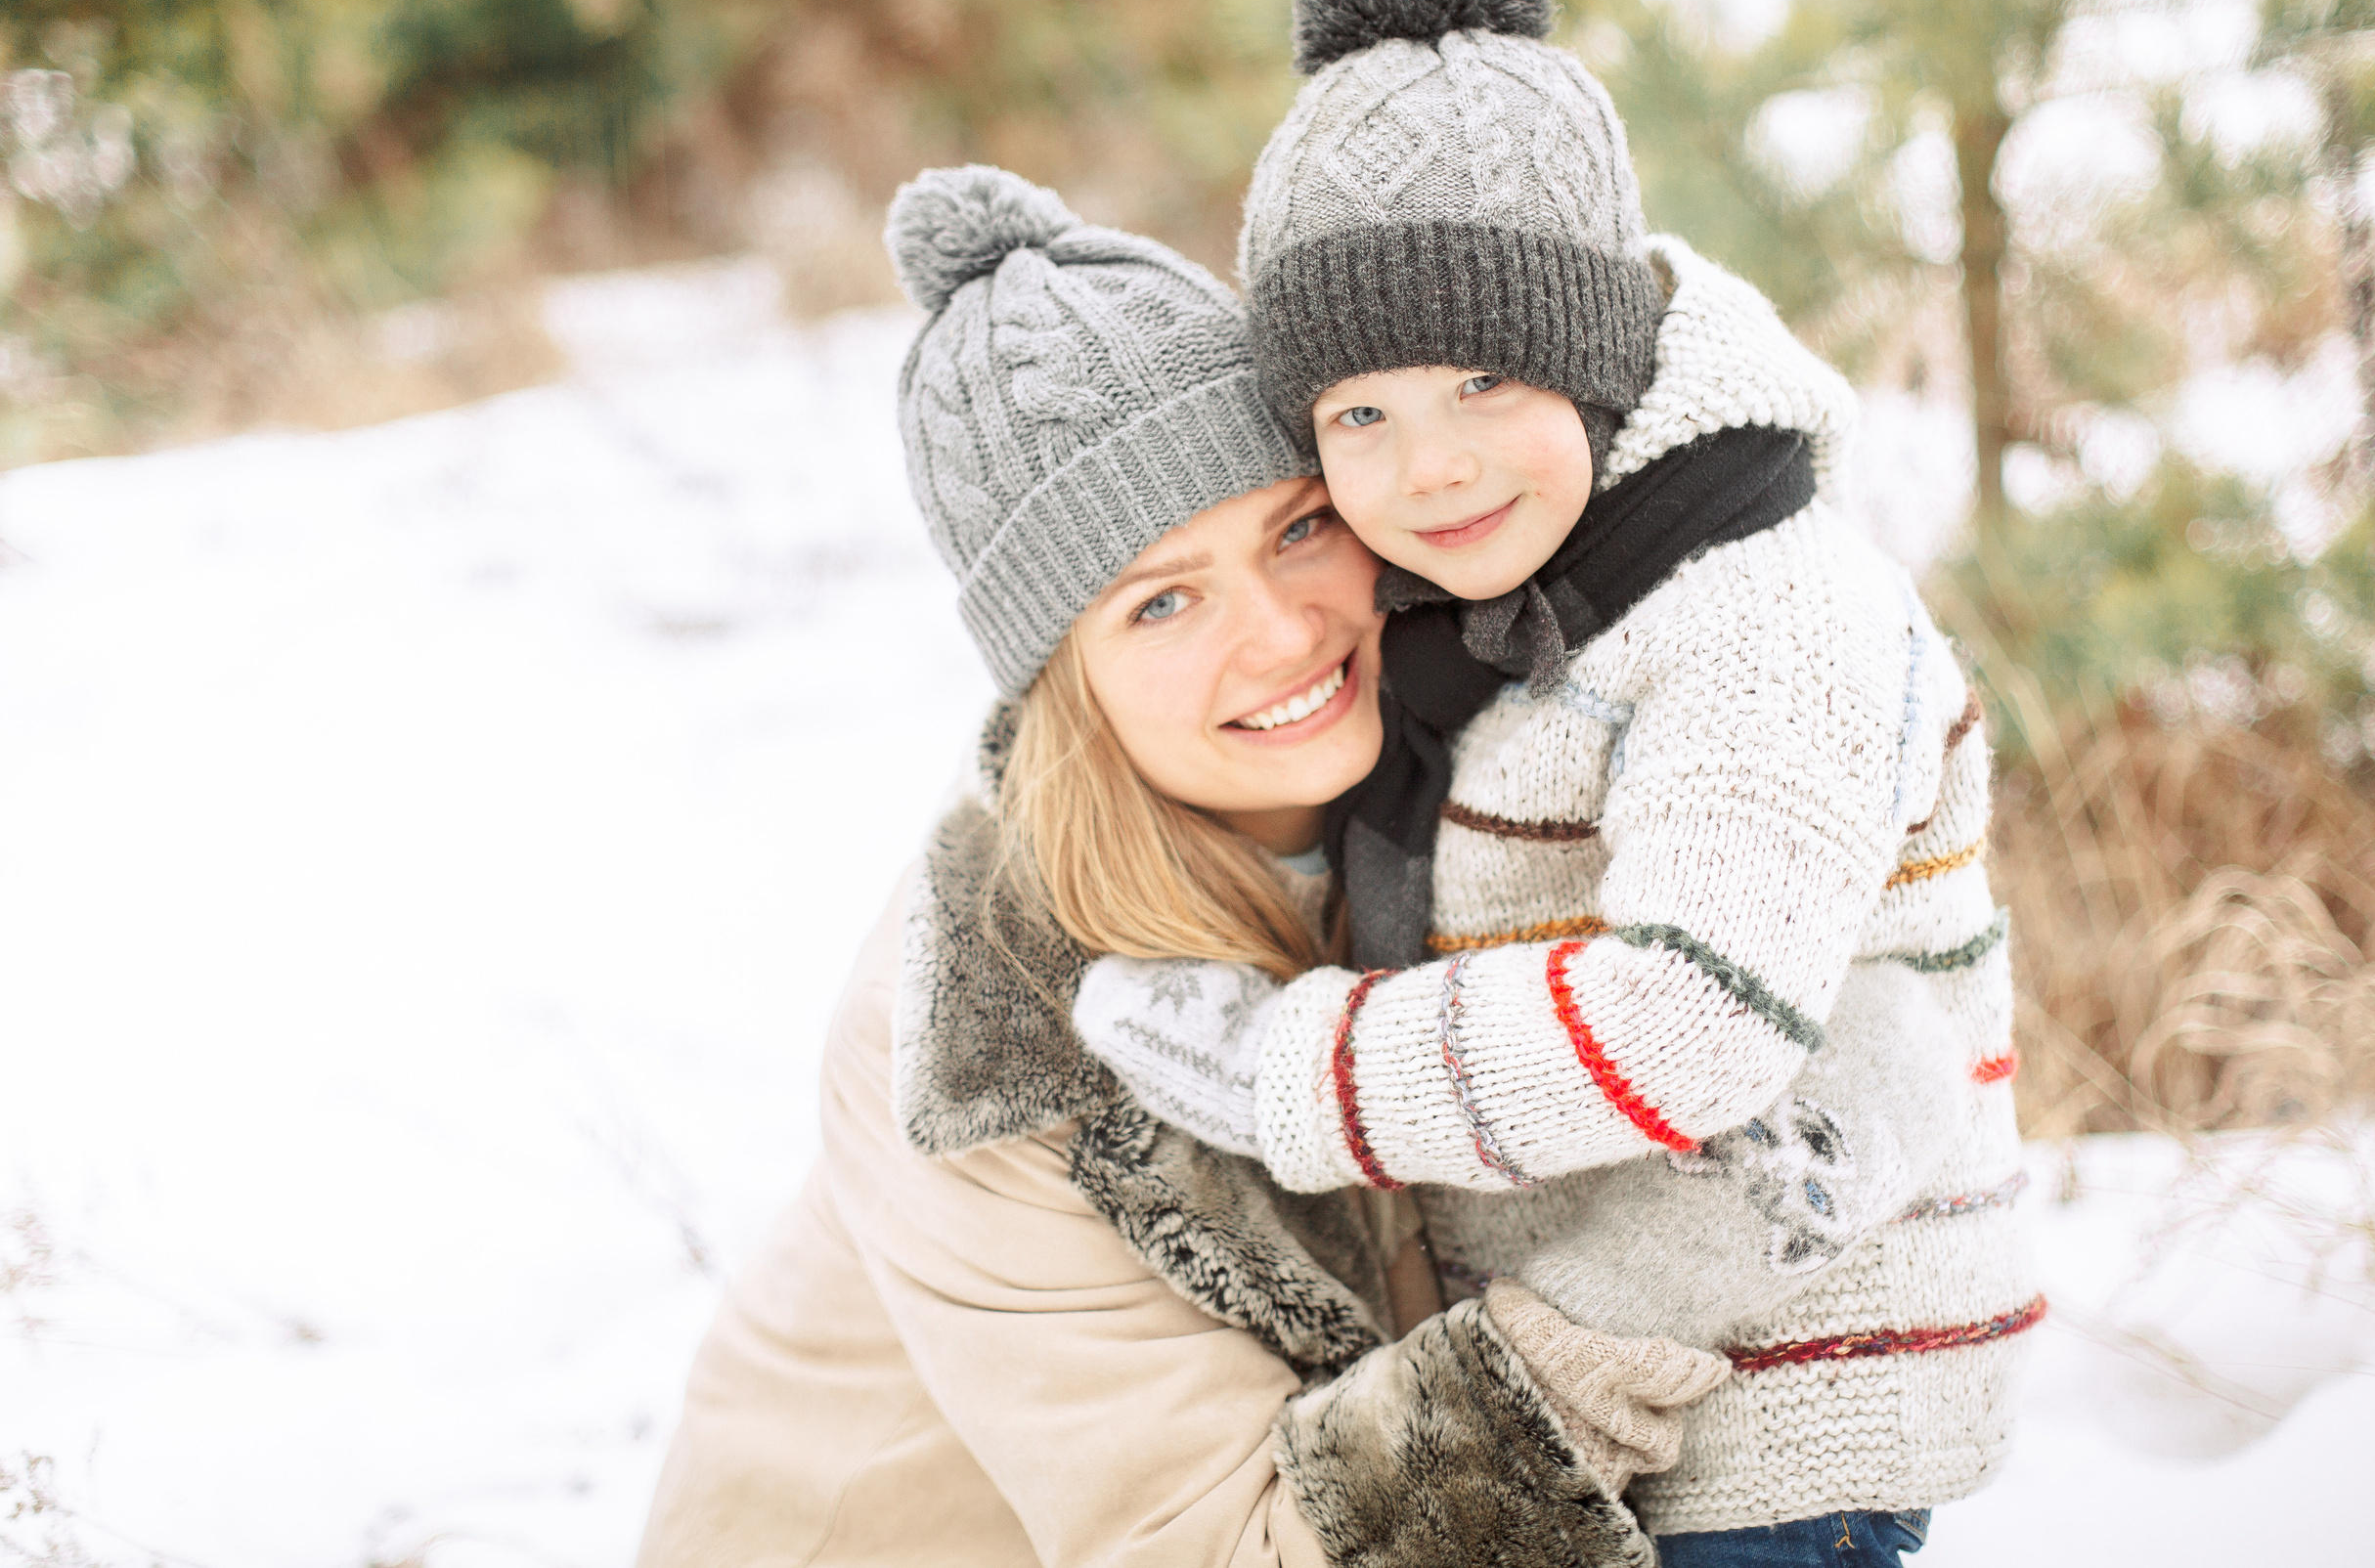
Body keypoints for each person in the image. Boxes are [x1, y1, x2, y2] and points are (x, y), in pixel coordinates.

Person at [1070, 0, 2039, 1561]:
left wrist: (1282, 1064)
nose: (1430, 466)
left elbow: (1692, 1022)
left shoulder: (1768, 613)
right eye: (1360, 414)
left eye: (1486, 385)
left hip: (1789, 1417)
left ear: (1593, 360)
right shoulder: (1510, 609)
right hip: (1619, 1398)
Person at [634, 164, 1729, 1568]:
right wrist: (1579, 1348)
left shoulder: (1460, 777)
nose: (1282, 632)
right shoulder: (985, 1046)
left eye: (1296, 529)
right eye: (1162, 603)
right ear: (1062, 677)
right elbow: (1213, 1546)